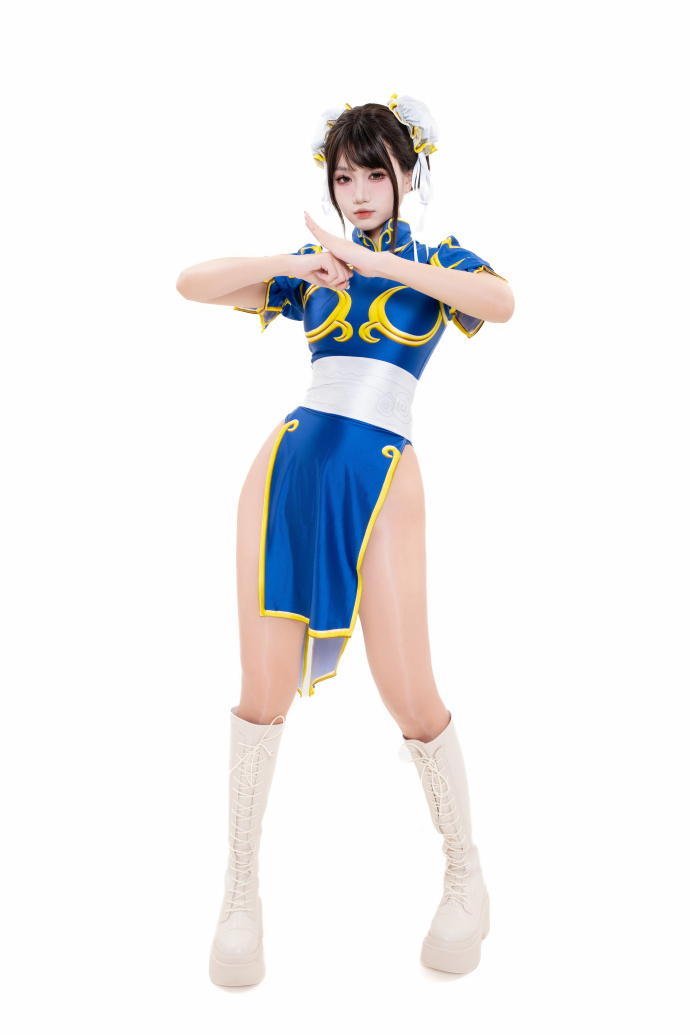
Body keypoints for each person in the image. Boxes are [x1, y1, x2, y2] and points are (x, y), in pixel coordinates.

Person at [176, 94, 514, 987]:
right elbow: (192, 283)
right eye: (344, 175)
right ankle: (239, 894)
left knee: (409, 689)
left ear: (407, 175)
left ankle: (466, 875)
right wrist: (296, 263)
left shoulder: (435, 263)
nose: (358, 191)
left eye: (375, 172)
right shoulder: (316, 270)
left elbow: (501, 302)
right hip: (289, 468)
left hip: (384, 475)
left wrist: (374, 262)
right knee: (260, 691)